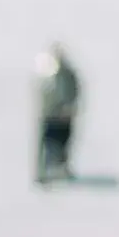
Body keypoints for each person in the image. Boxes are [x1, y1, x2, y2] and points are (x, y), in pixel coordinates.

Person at [34, 44, 81, 185]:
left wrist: (69, 107)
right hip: (50, 116)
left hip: (63, 116)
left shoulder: (68, 74)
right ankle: (42, 172)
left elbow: (73, 91)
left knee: (62, 143)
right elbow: (43, 93)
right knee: (47, 144)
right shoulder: (47, 73)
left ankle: (61, 168)